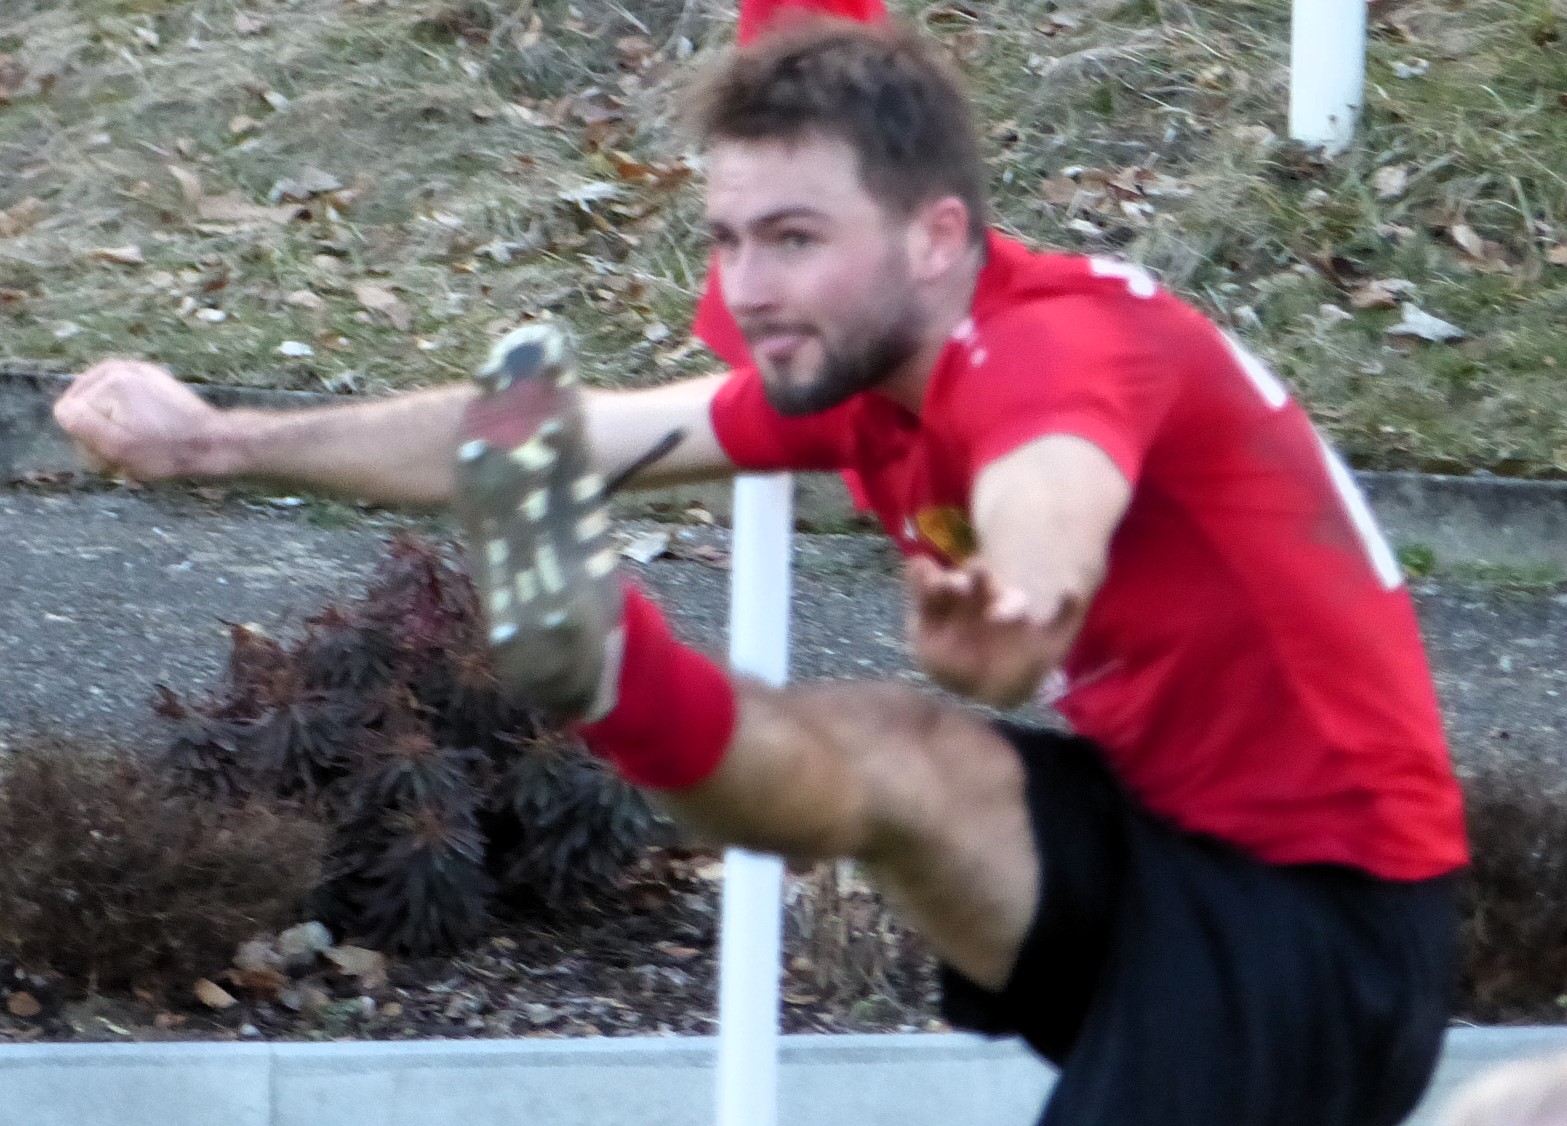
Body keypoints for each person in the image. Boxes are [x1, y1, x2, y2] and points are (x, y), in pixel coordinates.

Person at [51, 18, 1468, 1126]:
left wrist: (1020, 604)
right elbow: (545, 436)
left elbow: (1053, 493)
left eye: (794, 239)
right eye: (728, 240)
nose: (748, 287)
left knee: (918, 746)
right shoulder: (863, 375)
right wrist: (217, 439)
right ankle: (612, 669)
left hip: (1319, 924)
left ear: (936, 235)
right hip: (1150, 840)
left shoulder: (1053, 349)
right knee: (901, 755)